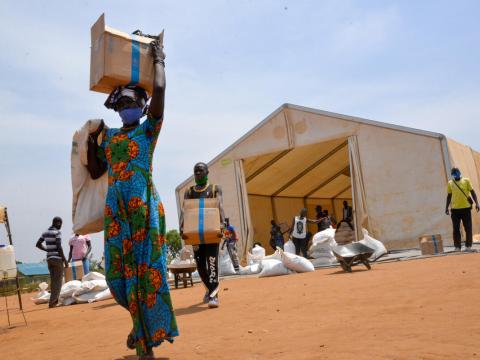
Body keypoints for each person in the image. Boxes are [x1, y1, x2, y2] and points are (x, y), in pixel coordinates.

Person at [86, 37, 178, 359]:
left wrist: (159, 59)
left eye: (132, 104)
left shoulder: (147, 132)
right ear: (116, 108)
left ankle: (145, 343)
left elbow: (161, 92)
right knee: (118, 277)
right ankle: (138, 327)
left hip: (145, 211)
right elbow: (97, 170)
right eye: (122, 105)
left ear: (142, 107)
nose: (127, 109)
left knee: (146, 274)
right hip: (118, 215)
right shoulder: (109, 138)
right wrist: (90, 139)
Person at [180, 162, 225, 308]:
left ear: (207, 172)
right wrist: (182, 227)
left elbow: (220, 206)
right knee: (200, 264)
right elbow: (184, 211)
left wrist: (222, 224)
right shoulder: (189, 191)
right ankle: (209, 289)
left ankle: (214, 295)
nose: (197, 174)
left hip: (211, 232)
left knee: (212, 263)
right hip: (195, 235)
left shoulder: (214, 189)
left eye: (200, 171)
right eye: (195, 171)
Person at [36, 217, 68, 308]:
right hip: (57, 259)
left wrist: (47, 249)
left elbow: (38, 244)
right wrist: (64, 260)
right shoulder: (57, 232)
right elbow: (59, 246)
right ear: (57, 223)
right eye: (61, 224)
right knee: (58, 281)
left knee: (54, 281)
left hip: (49, 259)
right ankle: (53, 303)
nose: (61, 226)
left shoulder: (45, 232)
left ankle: (52, 301)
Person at [445, 167, 480, 252]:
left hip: (466, 209)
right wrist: (446, 207)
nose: (455, 173)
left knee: (468, 228)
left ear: (460, 172)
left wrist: (477, 203)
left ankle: (468, 246)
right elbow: (449, 196)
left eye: (456, 172)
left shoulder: (466, 180)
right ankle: (457, 247)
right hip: (455, 210)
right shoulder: (450, 183)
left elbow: (472, 192)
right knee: (456, 229)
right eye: (453, 172)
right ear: (452, 175)